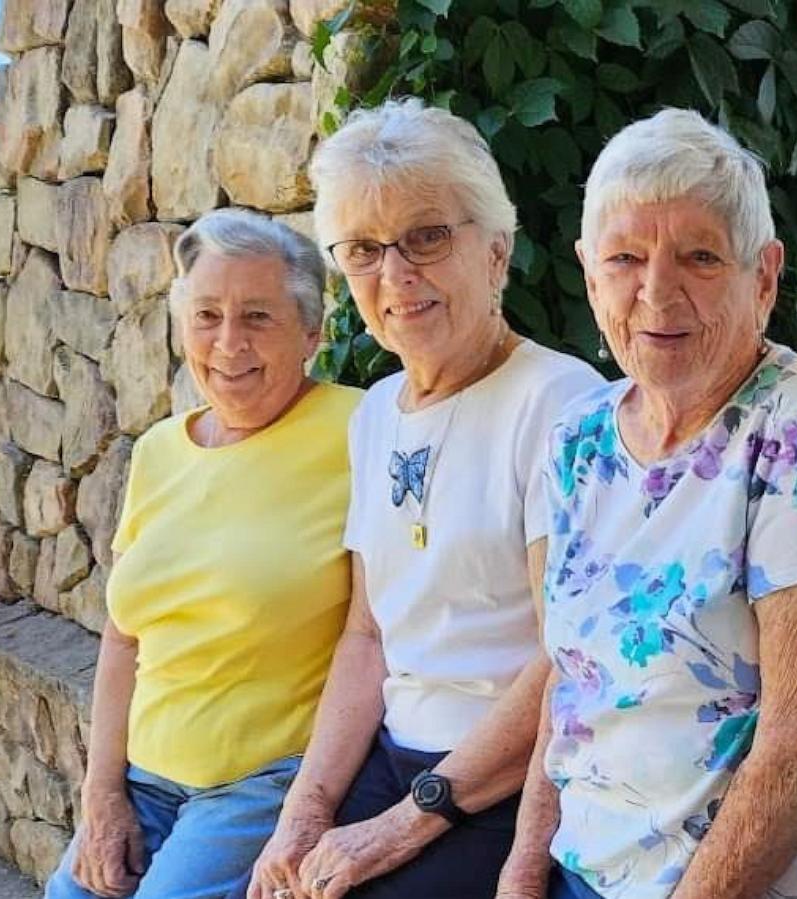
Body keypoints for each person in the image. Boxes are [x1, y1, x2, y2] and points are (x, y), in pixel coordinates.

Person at [493, 109, 797, 899]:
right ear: (589, 273)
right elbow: (570, 676)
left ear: (763, 275)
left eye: (699, 256)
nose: (656, 291)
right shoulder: (578, 438)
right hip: (580, 871)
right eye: (624, 258)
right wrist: (521, 867)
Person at [239, 98, 603, 899]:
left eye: (428, 236)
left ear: (497, 252)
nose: (396, 274)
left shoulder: (561, 403)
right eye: (364, 249)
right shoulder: (376, 412)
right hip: (394, 759)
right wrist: (304, 813)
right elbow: (368, 634)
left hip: (506, 785)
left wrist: (409, 819)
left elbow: (568, 658)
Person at [44, 211, 359, 899]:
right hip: (141, 779)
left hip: (261, 783)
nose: (228, 343)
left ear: (311, 332)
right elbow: (124, 637)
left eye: (257, 316)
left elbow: (378, 631)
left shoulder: (359, 431)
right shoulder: (159, 449)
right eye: (207, 314)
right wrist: (101, 797)